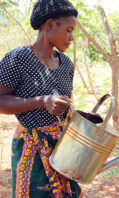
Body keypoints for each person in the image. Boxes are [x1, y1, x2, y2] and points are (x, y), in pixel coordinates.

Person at [0, 0, 83, 197]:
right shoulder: (18, 58)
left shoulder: (66, 65)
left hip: (63, 149)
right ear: (49, 24)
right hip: (32, 149)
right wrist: (43, 101)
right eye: (68, 30)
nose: (72, 38)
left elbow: (65, 106)